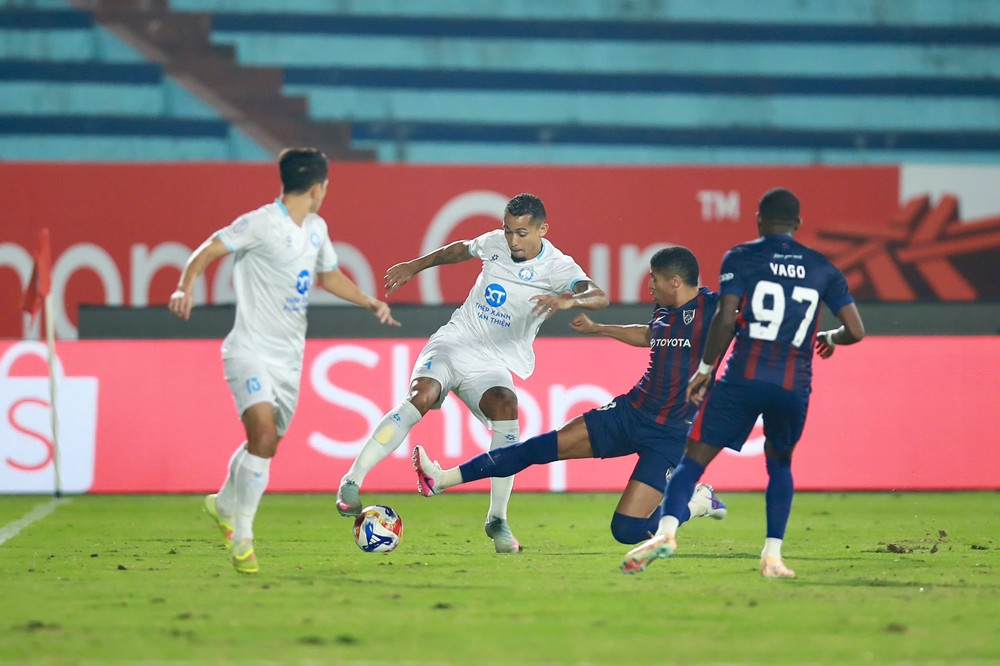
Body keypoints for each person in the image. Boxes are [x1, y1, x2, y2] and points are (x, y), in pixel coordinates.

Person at [168, 148, 400, 574]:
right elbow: (206, 250)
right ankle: (242, 538)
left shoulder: (316, 229)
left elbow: (328, 276)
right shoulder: (260, 223)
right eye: (326, 187)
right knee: (260, 433)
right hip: (249, 349)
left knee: (266, 443)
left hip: (289, 360)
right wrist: (186, 286)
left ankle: (223, 504)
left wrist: (368, 301)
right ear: (317, 188)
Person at [336, 193, 609, 553]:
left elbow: (598, 296)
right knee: (420, 396)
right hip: (454, 342)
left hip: (492, 363)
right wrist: (414, 266)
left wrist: (568, 300)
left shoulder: (558, 267)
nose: (513, 240)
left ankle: (497, 519)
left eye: (522, 233)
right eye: (508, 230)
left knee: (507, 409)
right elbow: (458, 250)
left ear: (543, 229)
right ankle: (351, 481)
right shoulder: (495, 243)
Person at [621, 187, 865, 578]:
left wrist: (705, 369)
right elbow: (856, 330)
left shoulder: (741, 257)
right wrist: (831, 338)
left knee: (692, 460)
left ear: (759, 220)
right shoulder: (822, 268)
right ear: (798, 223)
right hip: (793, 385)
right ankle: (772, 556)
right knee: (780, 465)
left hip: (742, 379)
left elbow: (725, 318)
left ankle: (665, 534)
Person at [412, 246, 727, 547]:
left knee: (627, 529)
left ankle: (698, 503)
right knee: (536, 448)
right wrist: (599, 328)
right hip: (630, 413)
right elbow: (649, 334)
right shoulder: (665, 309)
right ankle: (441, 479)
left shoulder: (715, 309)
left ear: (675, 281)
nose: (649, 286)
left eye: (654, 279)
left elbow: (744, 316)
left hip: (671, 435)